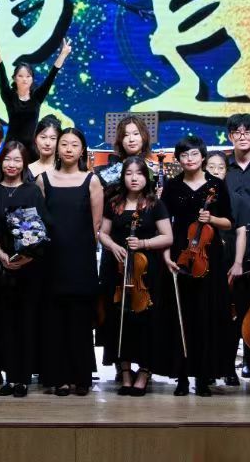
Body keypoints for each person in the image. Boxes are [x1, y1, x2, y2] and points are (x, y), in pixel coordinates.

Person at [161, 134, 234, 395]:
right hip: (180, 255)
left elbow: (229, 222)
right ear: (178, 159)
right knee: (182, 317)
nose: (189, 159)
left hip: (209, 257)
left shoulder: (216, 185)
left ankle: (204, 378)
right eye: (184, 155)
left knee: (206, 317)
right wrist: (166, 255)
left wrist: (211, 218)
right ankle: (181, 377)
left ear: (203, 157)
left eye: (194, 154)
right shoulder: (172, 186)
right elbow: (164, 224)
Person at [97, 155, 174, 396]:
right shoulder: (114, 203)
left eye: (139, 173)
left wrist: (143, 243)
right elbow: (103, 233)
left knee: (146, 322)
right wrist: (113, 246)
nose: (134, 178)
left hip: (146, 271)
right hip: (117, 269)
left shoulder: (155, 204)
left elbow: (168, 237)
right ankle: (125, 372)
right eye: (129, 173)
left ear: (146, 178)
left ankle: (144, 372)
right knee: (119, 320)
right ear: (122, 177)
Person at [39, 126, 103, 395]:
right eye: (64, 143)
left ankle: (81, 377)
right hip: (52, 260)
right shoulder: (43, 180)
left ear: (82, 150)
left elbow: (96, 225)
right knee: (54, 321)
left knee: (80, 320)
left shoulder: (92, 181)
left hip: (81, 260)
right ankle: (59, 377)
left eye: (74, 144)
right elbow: (39, 223)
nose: (68, 149)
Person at [0, 140, 48, 395]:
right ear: (1, 161)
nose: (11, 165)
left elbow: (43, 229)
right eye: (7, 159)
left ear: (24, 164)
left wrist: (28, 257)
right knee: (4, 324)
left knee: (26, 322)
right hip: (1, 267)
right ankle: (9, 377)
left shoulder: (32, 191)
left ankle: (22, 378)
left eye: (17, 160)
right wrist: (1, 255)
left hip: (29, 267)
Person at [0, 35, 71, 152]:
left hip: (31, 148)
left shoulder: (37, 97)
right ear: (14, 78)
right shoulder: (9, 96)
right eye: (20, 76)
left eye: (28, 76)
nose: (24, 79)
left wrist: (63, 54)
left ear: (32, 79)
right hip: (11, 147)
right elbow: (1, 70)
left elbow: (52, 75)